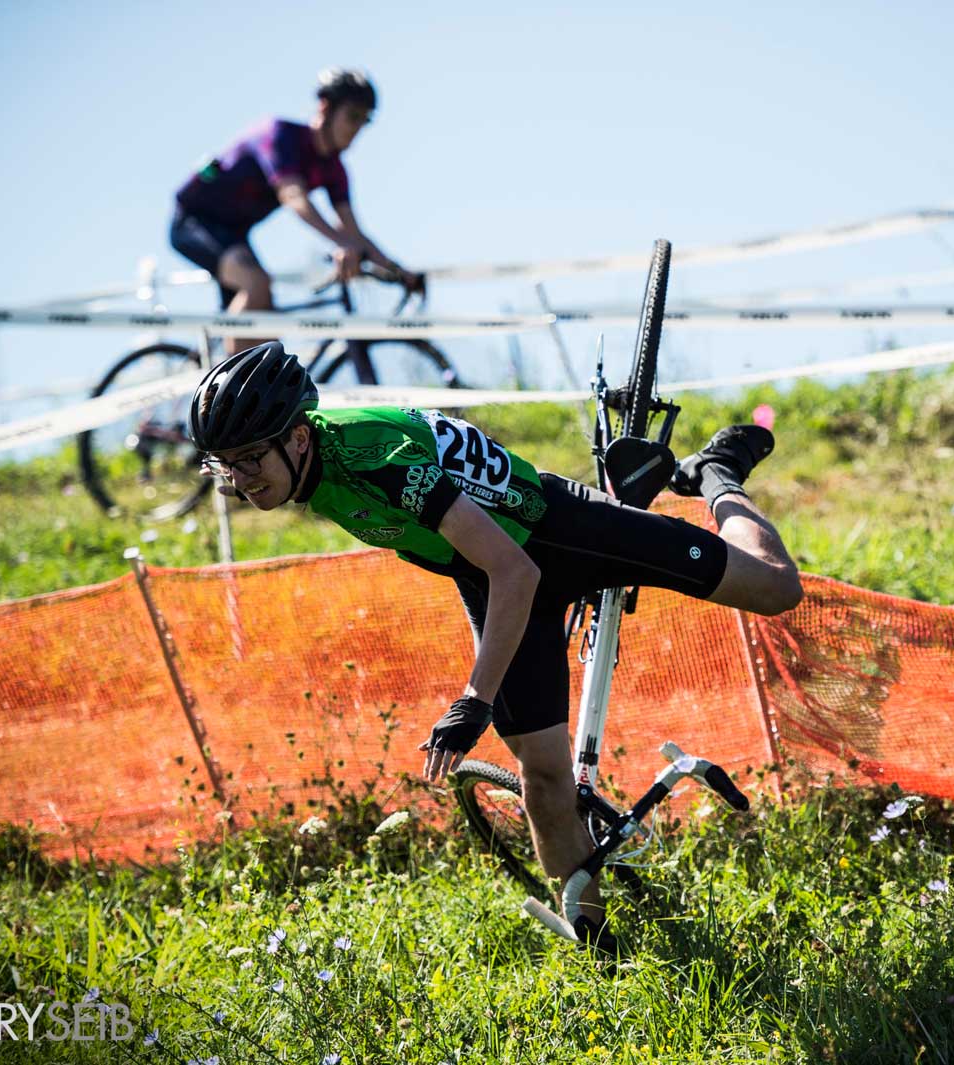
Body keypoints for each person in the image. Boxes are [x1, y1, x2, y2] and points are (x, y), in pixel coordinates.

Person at [189, 342, 802, 952]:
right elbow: (492, 568)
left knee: (775, 587)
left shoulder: (376, 456)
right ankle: (600, 952)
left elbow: (519, 572)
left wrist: (474, 699)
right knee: (543, 777)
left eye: (249, 460)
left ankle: (715, 475)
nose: (239, 482)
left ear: (298, 437)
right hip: (489, 570)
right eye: (225, 465)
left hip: (558, 534)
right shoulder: (305, 467)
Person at [169, 68, 425, 355]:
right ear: (325, 108)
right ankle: (231, 395)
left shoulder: (334, 169)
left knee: (268, 325)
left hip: (234, 234)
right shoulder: (280, 135)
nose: (357, 128)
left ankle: (237, 383)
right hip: (194, 221)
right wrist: (342, 244)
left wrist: (399, 272)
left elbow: (353, 232)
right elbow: (294, 197)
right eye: (353, 116)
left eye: (365, 120)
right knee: (257, 284)